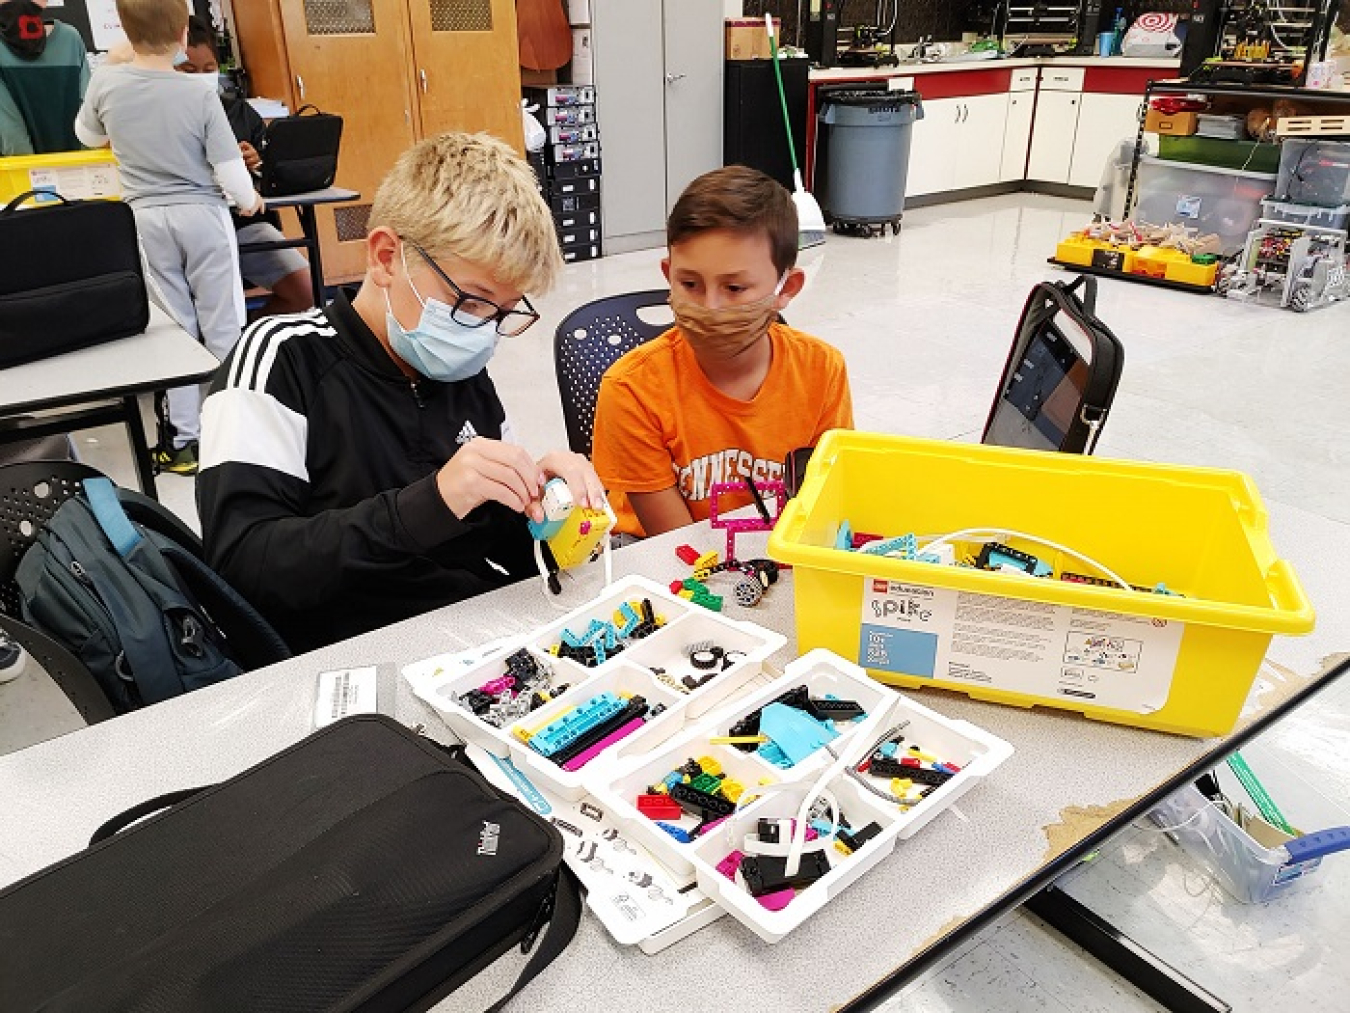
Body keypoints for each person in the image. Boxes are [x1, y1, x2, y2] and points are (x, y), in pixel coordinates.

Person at [196, 131, 603, 654]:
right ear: (387, 257)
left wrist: (552, 508)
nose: (481, 332)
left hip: (466, 642)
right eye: (471, 302)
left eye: (503, 313)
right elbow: (243, 568)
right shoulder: (282, 360)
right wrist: (430, 502)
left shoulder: (462, 373)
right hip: (341, 661)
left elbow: (499, 542)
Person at [591, 165, 854, 539]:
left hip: (776, 551)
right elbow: (674, 544)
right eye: (689, 284)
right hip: (662, 557)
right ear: (668, 275)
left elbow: (823, 503)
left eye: (734, 288)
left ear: (787, 288)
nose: (710, 307)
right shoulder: (631, 388)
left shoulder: (821, 371)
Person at [75, 0, 263, 477]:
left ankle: (184, 442)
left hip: (144, 219)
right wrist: (249, 201)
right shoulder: (198, 93)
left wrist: (116, 63)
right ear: (184, 35)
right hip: (203, 214)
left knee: (175, 330)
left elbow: (85, 135)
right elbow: (227, 166)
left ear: (123, 29)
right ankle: (232, 432)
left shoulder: (106, 84)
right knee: (223, 323)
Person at [178, 15, 313, 320]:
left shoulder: (238, 111)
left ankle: (248, 336)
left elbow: (274, 175)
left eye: (208, 70)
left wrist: (257, 163)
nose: (200, 77)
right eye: (188, 71)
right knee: (207, 305)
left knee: (305, 291)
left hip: (245, 227)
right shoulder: (158, 116)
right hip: (190, 234)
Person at [0, 0, 90, 155]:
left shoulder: (70, 40)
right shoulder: (70, 39)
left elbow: (11, 133)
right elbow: (89, 115)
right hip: (76, 167)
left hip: (23, 172)